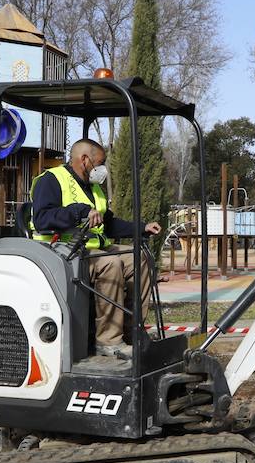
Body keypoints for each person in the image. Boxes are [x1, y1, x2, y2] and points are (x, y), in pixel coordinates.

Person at [30, 138, 161, 355]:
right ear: (84, 160)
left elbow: (108, 224)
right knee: (111, 263)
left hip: (90, 251)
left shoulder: (94, 188)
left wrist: (142, 227)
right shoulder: (51, 180)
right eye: (99, 163)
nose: (102, 168)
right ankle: (108, 341)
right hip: (60, 253)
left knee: (139, 258)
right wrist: (79, 212)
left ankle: (132, 331)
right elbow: (43, 218)